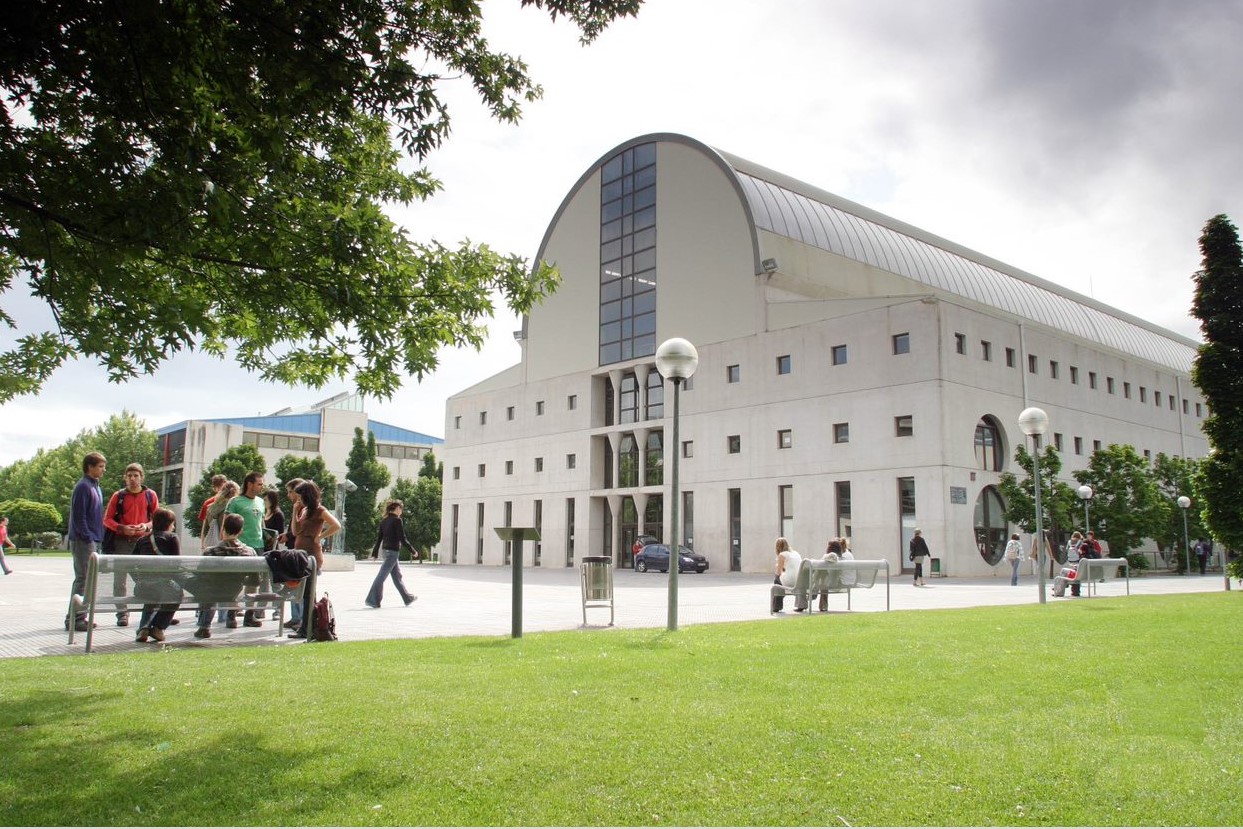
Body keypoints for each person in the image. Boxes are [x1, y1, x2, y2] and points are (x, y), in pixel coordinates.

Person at [102, 462, 158, 627]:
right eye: (129, 476)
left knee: (147, 578)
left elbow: (156, 518)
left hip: (143, 542)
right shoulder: (118, 496)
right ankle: (122, 613)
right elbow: (107, 519)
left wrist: (146, 526)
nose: (133, 479)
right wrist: (122, 528)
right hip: (122, 542)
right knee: (120, 580)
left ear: (142, 477)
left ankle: (152, 610)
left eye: (136, 475)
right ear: (125, 478)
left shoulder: (150, 495)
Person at [192, 513, 258, 639]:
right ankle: (229, 618)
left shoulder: (210, 551)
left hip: (212, 592)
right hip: (234, 591)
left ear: (223, 529)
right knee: (225, 587)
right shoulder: (250, 552)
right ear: (241, 531)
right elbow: (255, 580)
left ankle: (204, 626)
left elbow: (200, 574)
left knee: (209, 589)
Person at [289, 480, 340, 639]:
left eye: (300, 497)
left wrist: (321, 536)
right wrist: (295, 512)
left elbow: (336, 525)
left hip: (312, 555)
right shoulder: (304, 510)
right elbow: (295, 531)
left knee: (308, 594)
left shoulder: (319, 510)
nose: (298, 500)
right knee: (304, 592)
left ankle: (307, 628)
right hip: (300, 553)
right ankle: (307, 627)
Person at [67, 452, 106, 632]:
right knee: (83, 578)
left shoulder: (95, 486)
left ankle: (80, 615)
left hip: (94, 538)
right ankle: (75, 618)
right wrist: (88, 536)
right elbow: (79, 516)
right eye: (100, 466)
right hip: (84, 540)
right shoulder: (83, 486)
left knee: (88, 579)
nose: (103, 470)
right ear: (90, 467)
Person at [132, 508, 181, 643]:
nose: (174, 526)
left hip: (142, 587)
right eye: (173, 523)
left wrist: (138, 580)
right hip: (163, 586)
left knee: (151, 598)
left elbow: (130, 563)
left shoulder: (142, 539)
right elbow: (176, 564)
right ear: (168, 524)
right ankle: (158, 628)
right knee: (176, 593)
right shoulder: (172, 537)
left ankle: (143, 628)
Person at [226, 472, 268, 626]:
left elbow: (261, 524)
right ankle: (231, 614)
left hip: (258, 546)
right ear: (250, 484)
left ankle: (249, 615)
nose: (261, 487)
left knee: (254, 583)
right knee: (234, 582)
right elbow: (226, 524)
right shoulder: (235, 502)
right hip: (239, 547)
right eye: (259, 484)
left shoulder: (261, 502)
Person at [365, 499, 419, 608]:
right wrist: (413, 551)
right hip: (393, 553)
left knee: (397, 576)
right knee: (381, 576)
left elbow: (379, 539)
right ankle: (372, 600)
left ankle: (407, 598)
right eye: (401, 508)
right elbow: (402, 539)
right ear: (396, 508)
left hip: (386, 551)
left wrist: (375, 553)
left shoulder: (384, 521)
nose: (401, 511)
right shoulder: (397, 521)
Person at [771, 537, 802, 613]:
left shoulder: (782, 555)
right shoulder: (796, 553)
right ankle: (801, 605)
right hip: (800, 579)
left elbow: (778, 572)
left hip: (791, 580)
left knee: (777, 580)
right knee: (780, 578)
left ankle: (776, 606)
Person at [198, 474, 227, 550]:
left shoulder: (208, 502)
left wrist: (203, 545)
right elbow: (205, 526)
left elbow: (204, 528)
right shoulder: (208, 503)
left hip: (215, 541)